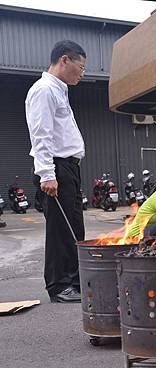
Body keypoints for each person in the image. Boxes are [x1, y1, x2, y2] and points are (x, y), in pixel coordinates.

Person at [26, 40, 87, 303]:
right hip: (57, 168)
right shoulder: (44, 90)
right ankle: (59, 285)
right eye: (80, 67)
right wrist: (47, 174)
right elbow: (41, 134)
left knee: (75, 228)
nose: (82, 73)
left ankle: (74, 281)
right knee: (60, 230)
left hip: (69, 168)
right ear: (65, 60)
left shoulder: (59, 90)